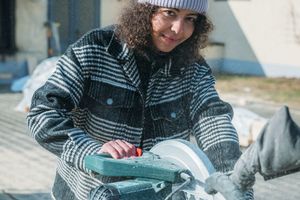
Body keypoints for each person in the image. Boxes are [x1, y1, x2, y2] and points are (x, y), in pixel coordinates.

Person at [27, 0, 253, 199]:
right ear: (144, 10)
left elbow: (214, 122)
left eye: (190, 18)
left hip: (162, 194)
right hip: (85, 192)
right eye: (170, 13)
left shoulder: (192, 68)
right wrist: (92, 151)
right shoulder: (95, 49)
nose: (178, 29)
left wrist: (235, 187)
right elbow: (43, 113)